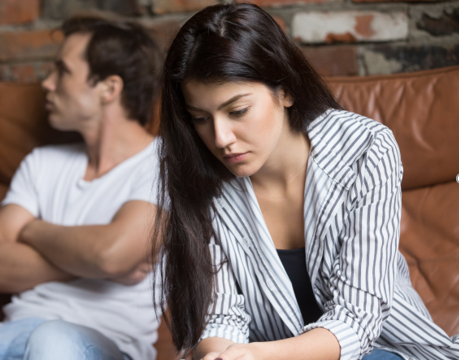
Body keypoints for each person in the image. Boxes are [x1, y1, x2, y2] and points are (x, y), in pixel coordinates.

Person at [153, 3, 459, 360]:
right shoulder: (201, 175)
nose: (220, 138)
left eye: (237, 111)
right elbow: (219, 318)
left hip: (383, 351)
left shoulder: (365, 148)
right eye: (200, 118)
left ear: (285, 90)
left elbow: (357, 321)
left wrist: (255, 356)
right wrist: (222, 357)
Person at [0, 16, 163, 360]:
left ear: (109, 88)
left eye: (62, 71)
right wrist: (92, 261)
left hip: (98, 345)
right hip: (5, 341)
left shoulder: (163, 164)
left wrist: (31, 230)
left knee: (52, 340)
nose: (47, 83)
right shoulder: (41, 162)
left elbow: (110, 254)